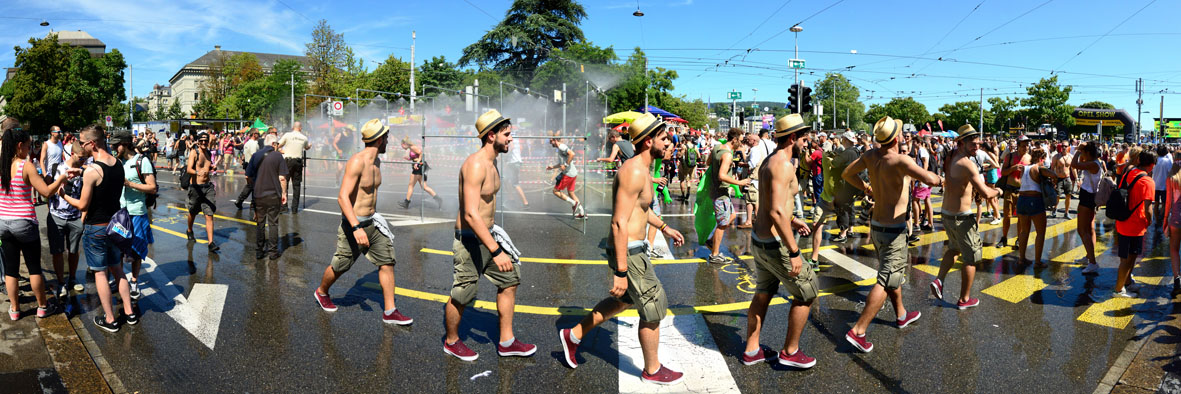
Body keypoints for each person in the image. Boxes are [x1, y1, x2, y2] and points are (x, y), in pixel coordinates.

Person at [558, 113, 687, 384]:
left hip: (633, 247)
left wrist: (664, 227)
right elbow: (619, 222)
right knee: (652, 306)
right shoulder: (634, 171)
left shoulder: (643, 168)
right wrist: (620, 270)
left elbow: (640, 210)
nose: (669, 143)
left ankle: (574, 335)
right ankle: (652, 370)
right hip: (628, 249)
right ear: (648, 141)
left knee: (623, 300)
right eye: (664, 139)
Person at [841, 116, 941, 352]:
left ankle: (901, 314)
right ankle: (858, 330)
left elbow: (847, 173)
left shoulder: (870, 155)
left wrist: (866, 187)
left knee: (890, 270)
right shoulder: (900, 160)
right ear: (897, 138)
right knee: (886, 279)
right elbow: (929, 178)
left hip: (876, 227)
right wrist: (939, 178)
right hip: (894, 230)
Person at [444, 110, 535, 361]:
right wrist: (496, 251)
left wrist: (495, 242)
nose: (511, 139)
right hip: (470, 240)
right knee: (463, 295)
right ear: (491, 136)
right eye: (507, 134)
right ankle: (451, 341)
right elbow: (471, 214)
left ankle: (507, 342)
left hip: (488, 235)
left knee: (510, 280)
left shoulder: (493, 162)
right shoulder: (475, 164)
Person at [740, 114, 821, 369]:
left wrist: (793, 218)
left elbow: (773, 204)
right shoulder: (783, 164)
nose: (807, 141)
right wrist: (795, 251)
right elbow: (775, 211)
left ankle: (752, 350)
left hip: (760, 240)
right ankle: (790, 352)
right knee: (807, 292)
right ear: (793, 137)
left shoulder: (771, 161)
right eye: (804, 136)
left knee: (763, 293)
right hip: (775, 244)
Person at [313, 119, 412, 325]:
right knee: (341, 264)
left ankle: (390, 311)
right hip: (354, 224)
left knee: (387, 262)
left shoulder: (377, 161)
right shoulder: (358, 161)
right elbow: (342, 197)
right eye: (385, 137)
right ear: (378, 140)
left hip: (373, 222)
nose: (388, 141)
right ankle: (322, 292)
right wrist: (356, 227)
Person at [62, 126, 136, 331]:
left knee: (101, 274)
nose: (80, 145)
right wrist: (83, 170)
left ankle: (110, 319)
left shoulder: (93, 171)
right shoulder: (118, 164)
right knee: (118, 270)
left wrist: (63, 195)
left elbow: (83, 205)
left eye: (83, 142)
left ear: (92, 144)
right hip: (115, 226)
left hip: (96, 228)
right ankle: (129, 313)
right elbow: (105, 178)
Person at [2, 125, 78, 320]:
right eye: (28, 146)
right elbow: (45, 192)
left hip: (3, 222)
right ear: (19, 146)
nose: (30, 150)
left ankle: (15, 310)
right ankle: (43, 307)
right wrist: (62, 177)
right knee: (34, 267)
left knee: (10, 270)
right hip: (24, 222)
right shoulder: (24, 165)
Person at [930, 126, 999, 309]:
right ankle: (964, 300)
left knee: (953, 249)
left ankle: (939, 280)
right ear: (961, 143)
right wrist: (999, 190)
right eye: (972, 144)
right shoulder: (967, 164)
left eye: (978, 143)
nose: (976, 147)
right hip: (962, 217)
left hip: (947, 214)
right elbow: (985, 193)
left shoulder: (952, 155)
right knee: (971, 258)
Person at [116, 133, 157, 300]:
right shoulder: (117, 162)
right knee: (117, 248)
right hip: (120, 211)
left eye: (116, 145)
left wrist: (129, 184)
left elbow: (152, 187)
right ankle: (119, 279)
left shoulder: (142, 161)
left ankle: (134, 281)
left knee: (136, 249)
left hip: (137, 212)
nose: (113, 148)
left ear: (125, 144)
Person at [700, 128, 750, 264]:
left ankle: (712, 241)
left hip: (717, 191)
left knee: (732, 216)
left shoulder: (717, 147)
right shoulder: (727, 155)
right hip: (720, 192)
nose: (741, 143)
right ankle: (714, 255)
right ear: (734, 139)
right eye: (740, 140)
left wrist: (721, 164)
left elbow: (708, 162)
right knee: (722, 224)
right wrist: (740, 182)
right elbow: (721, 176)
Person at [1113, 151, 1156, 298]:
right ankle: (1119, 290)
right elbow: (1148, 207)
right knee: (1128, 259)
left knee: (1129, 256)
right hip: (1136, 224)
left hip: (1122, 219)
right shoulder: (1148, 181)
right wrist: (1149, 220)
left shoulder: (1129, 171)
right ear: (1152, 165)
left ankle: (1126, 282)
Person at [47, 140, 86, 297]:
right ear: (73, 154)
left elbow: (86, 195)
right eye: (81, 158)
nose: (84, 160)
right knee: (57, 251)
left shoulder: (84, 171)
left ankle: (73, 278)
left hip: (75, 217)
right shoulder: (58, 168)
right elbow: (48, 191)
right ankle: (61, 282)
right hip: (57, 216)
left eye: (85, 158)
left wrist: (82, 218)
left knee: (74, 251)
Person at [247, 135, 287, 260]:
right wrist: (284, 193)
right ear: (274, 144)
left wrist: (255, 186)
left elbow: (248, 176)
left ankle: (259, 251)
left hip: (258, 194)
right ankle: (272, 252)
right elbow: (282, 177)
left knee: (260, 223)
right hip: (273, 194)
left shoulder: (256, 155)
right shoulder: (278, 156)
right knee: (273, 223)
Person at [1015, 148, 1054, 266]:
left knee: (1023, 231)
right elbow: (1054, 175)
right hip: (1034, 199)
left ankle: (1021, 259)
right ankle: (1037, 262)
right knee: (1040, 233)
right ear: (1041, 159)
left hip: (1021, 200)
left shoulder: (1024, 168)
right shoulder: (1040, 168)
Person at [1073, 143, 1106, 274]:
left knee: (1082, 229)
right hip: (1091, 196)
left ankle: (1092, 262)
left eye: (1084, 152)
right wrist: (1082, 151)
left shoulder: (1093, 164)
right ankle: (1089, 257)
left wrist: (1077, 150)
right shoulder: (1095, 162)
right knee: (1089, 229)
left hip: (1087, 197)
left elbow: (1074, 164)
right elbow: (1080, 162)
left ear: (1088, 153)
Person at [185, 132, 219, 252]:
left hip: (208, 187)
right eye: (202, 140)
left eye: (206, 140)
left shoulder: (209, 153)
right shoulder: (195, 152)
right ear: (198, 141)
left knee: (209, 214)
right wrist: (197, 172)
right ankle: (189, 230)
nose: (204, 143)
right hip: (195, 187)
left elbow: (206, 167)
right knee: (193, 212)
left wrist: (212, 168)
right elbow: (189, 169)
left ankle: (211, 243)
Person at [998, 136, 1031, 248]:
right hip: (1009, 189)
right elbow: (1003, 172)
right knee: (1007, 216)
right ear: (1018, 146)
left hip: (1023, 191)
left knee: (1021, 217)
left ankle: (1018, 239)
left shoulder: (1030, 158)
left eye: (1027, 145)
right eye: (1023, 145)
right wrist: (1013, 168)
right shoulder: (1010, 156)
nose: (1025, 148)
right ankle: (1004, 238)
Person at [547, 135, 587, 219]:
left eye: (551, 141)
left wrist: (565, 165)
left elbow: (572, 154)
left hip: (568, 174)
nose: (550, 143)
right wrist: (552, 167)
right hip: (572, 173)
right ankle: (582, 213)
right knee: (571, 192)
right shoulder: (560, 148)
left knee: (555, 191)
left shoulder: (561, 146)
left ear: (555, 140)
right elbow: (561, 164)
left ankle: (574, 203)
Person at [397, 136, 442, 209]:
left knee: (411, 185)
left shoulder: (413, 147)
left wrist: (417, 163)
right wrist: (408, 159)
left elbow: (421, 153)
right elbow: (415, 157)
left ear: (404, 143)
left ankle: (406, 202)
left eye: (401, 145)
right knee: (424, 187)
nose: (402, 147)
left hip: (418, 167)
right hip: (419, 166)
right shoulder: (411, 148)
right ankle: (438, 199)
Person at [278, 122, 309, 213]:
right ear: (300, 128)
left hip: (287, 161)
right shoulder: (304, 138)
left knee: (284, 183)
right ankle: (294, 208)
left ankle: (283, 206)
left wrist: (281, 151)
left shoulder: (287, 135)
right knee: (297, 185)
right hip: (298, 162)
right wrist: (309, 146)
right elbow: (306, 147)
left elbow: (277, 145)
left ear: (293, 127)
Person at [1163, 152, 1181, 295]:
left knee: (1174, 249)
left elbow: (1168, 202)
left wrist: (1165, 221)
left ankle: (1177, 279)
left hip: (1175, 218)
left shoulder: (1171, 177)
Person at [235, 129, 260, 210]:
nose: (259, 134)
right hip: (252, 165)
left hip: (248, 165)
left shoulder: (247, 143)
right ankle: (240, 200)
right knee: (251, 185)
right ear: (254, 134)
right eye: (257, 133)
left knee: (253, 185)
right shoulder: (253, 143)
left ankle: (252, 203)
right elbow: (254, 156)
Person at [1050, 144, 1074, 219]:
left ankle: (1066, 212)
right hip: (1058, 178)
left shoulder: (1071, 157)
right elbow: (1052, 168)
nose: (1064, 148)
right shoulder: (1056, 157)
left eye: (1065, 146)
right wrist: (1052, 179)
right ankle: (1054, 209)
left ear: (1068, 148)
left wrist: (1078, 179)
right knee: (1057, 196)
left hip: (1067, 178)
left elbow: (1073, 169)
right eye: (1062, 146)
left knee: (1068, 195)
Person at [1153, 145, 1173, 226]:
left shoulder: (1155, 160)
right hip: (1164, 186)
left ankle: (1157, 219)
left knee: (1156, 203)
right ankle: (1161, 218)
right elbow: (1171, 173)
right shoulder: (1168, 161)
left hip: (1155, 185)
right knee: (1164, 203)